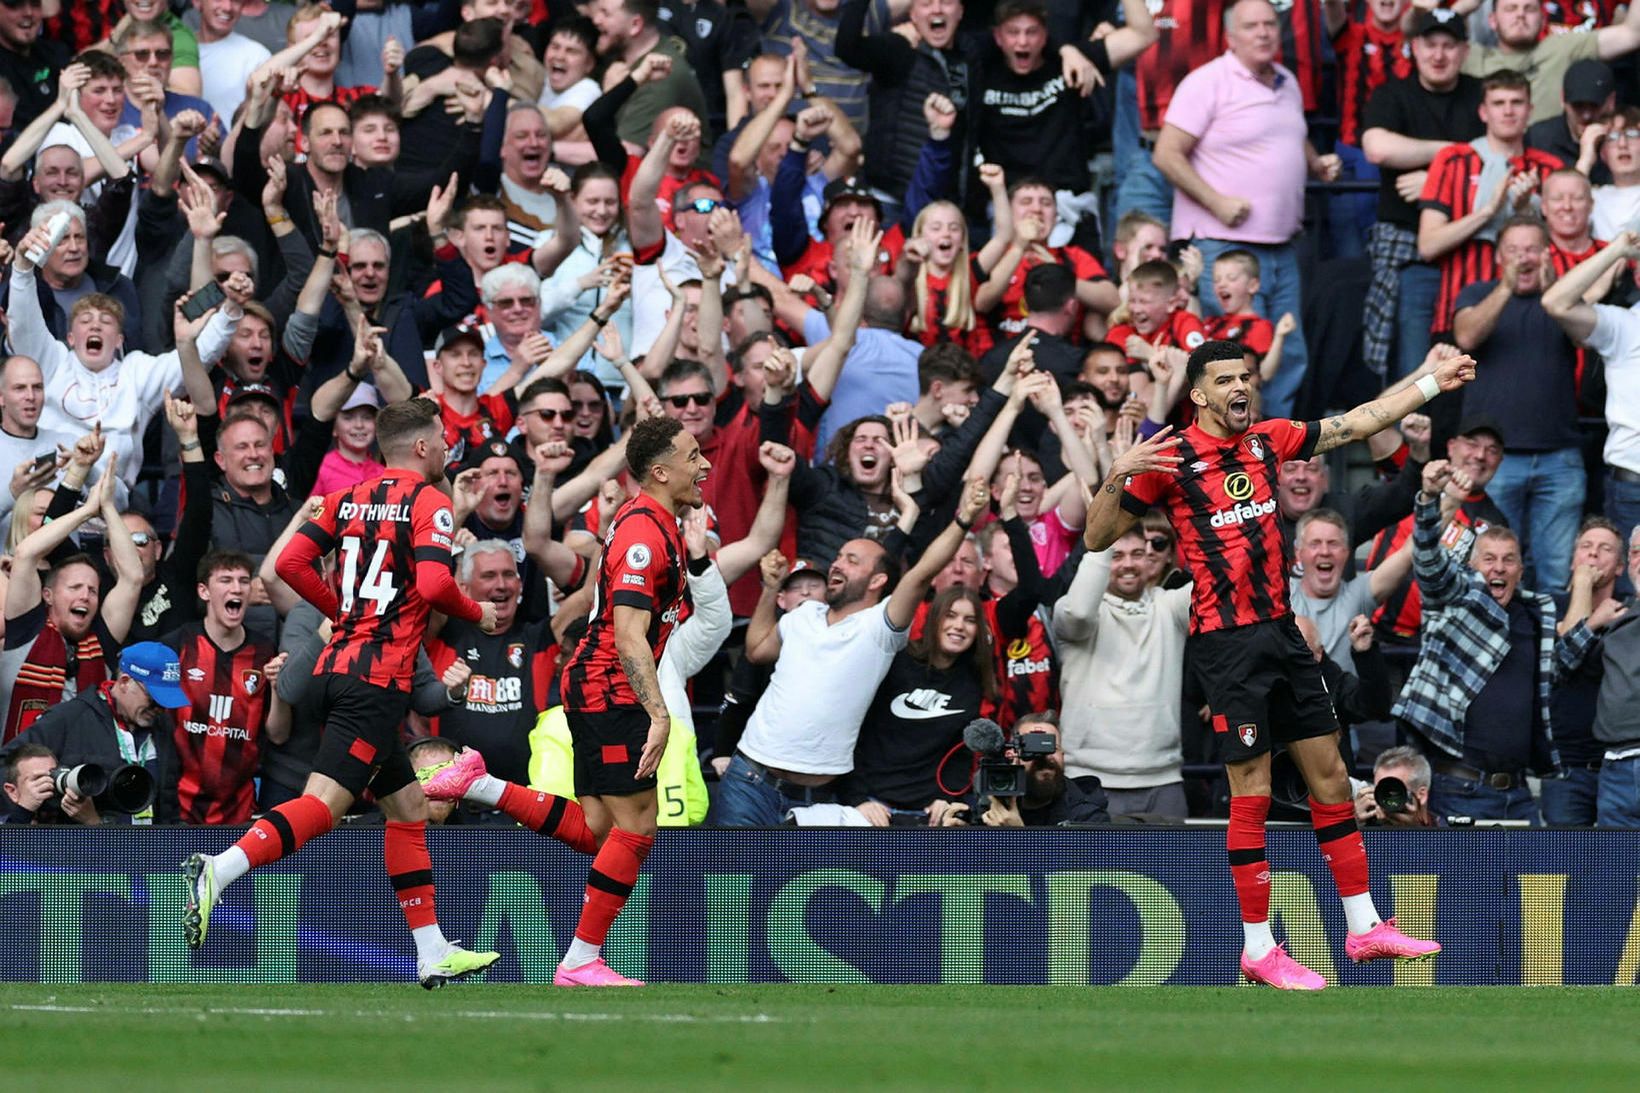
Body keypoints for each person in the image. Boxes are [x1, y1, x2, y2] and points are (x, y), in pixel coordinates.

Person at [1087, 339, 1463, 989]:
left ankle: (1364, 925)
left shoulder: (1269, 439)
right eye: (1226, 379)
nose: (1241, 386)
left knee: (1331, 775)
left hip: (1285, 636)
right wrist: (1118, 470)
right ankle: (1259, 947)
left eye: (1247, 376)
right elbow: (1095, 536)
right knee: (1253, 794)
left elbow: (1364, 418)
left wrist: (1432, 381)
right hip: (1226, 645)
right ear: (1198, 394)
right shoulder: (1168, 458)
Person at [183, 398, 502, 990]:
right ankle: (218, 869)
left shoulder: (345, 498)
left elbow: (292, 564)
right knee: (325, 806)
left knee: (407, 811)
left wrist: (343, 612)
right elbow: (434, 582)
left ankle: (432, 951)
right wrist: (477, 611)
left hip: (340, 669)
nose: (448, 450)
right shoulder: (429, 502)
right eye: (443, 440)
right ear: (425, 447)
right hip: (375, 683)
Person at [716, 475, 992, 826]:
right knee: (736, 881)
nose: (837, 564)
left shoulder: (879, 628)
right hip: (749, 780)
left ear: (877, 581)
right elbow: (756, 650)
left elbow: (921, 574)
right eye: (838, 556)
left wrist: (963, 519)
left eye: (851, 560)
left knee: (804, 884)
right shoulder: (804, 614)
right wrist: (770, 590)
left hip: (819, 798)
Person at [1392, 458, 1619, 822]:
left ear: (1521, 570)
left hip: (1517, 791)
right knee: (1461, 881)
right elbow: (1429, 559)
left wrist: (1589, 625)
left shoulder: (1535, 612)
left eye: (1508, 560)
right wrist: (1429, 500)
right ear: (1471, 565)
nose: (1498, 568)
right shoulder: (1455, 597)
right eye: (1489, 559)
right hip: (1457, 787)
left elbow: (1557, 669)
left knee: (1524, 881)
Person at [1151, 0, 1339, 419]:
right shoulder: (1207, 81)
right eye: (1251, 25)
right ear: (1230, 36)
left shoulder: (1286, 80)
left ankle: (1274, 453)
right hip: (1222, 245)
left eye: (1270, 24)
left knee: (1288, 356)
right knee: (1226, 363)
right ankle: (1228, 458)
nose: (1263, 32)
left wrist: (1314, 162)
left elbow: (1289, 134)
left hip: (1282, 246)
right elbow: (1166, 154)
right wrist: (1216, 201)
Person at [1451, 216, 1584, 592]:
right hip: (1493, 461)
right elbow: (1467, 334)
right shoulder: (1478, 292)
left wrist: (1556, 292)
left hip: (1559, 459)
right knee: (1486, 572)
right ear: (1498, 257)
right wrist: (1506, 287)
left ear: (1546, 254)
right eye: (1513, 250)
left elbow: (1588, 341)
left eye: (1531, 249)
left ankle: (1547, 651)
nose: (1523, 258)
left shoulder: (1564, 300)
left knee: (1557, 577)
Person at [1359, 7, 1484, 380]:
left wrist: (1433, 178)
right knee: (1414, 363)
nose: (1439, 55)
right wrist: (1456, 156)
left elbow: (1501, 155)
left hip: (1473, 250)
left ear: (1464, 50)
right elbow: (1378, 148)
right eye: (1430, 45)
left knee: (1476, 358)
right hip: (1411, 255)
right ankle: (1406, 436)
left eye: (1449, 45)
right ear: (1414, 47)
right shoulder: (1392, 94)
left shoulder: (1482, 93)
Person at [1052, 524, 1191, 820]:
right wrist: (1102, 541)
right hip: (1090, 779)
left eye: (1138, 553)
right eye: (1117, 556)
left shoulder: (1169, 606)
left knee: (1174, 868)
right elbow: (1079, 613)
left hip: (1163, 779)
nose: (1128, 564)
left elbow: (1217, 585)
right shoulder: (1071, 610)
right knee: (1091, 869)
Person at [1417, 71, 1561, 343]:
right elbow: (1428, 245)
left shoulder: (1550, 169)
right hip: (1460, 310)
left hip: (1534, 317)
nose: (1508, 111)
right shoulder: (1452, 161)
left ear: (1529, 111)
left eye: (1516, 102)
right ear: (1483, 112)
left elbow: (1563, 244)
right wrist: (1487, 211)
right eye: (1498, 103)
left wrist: (1526, 211)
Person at [163, 550, 290, 825]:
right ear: (204, 591)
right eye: (226, 580)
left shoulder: (265, 652)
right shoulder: (179, 646)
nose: (237, 588)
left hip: (239, 813)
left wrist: (278, 689)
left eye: (244, 581)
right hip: (179, 810)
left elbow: (278, 735)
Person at [0, 641, 188, 824]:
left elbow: (168, 804)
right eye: (153, 698)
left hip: (150, 849)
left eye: (166, 702)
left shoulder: (162, 726)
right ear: (124, 682)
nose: (159, 708)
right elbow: (5, 766)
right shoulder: (69, 718)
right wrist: (33, 799)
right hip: (81, 850)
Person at [1539, 230, 1640, 554]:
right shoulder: (1624, 325)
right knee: (1629, 598)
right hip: (1633, 488)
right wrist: (1618, 250)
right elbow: (1555, 302)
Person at [1591, 525, 1640, 827]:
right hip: (1615, 767)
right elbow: (1562, 664)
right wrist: (1593, 621)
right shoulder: (1615, 617)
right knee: (1616, 872)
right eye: (1636, 553)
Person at [1353, 745, 1439, 827]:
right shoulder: (1366, 821)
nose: (1387, 800)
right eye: (1381, 790)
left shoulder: (1442, 832)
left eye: (1394, 791)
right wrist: (1353, 822)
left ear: (1421, 794)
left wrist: (1413, 830)